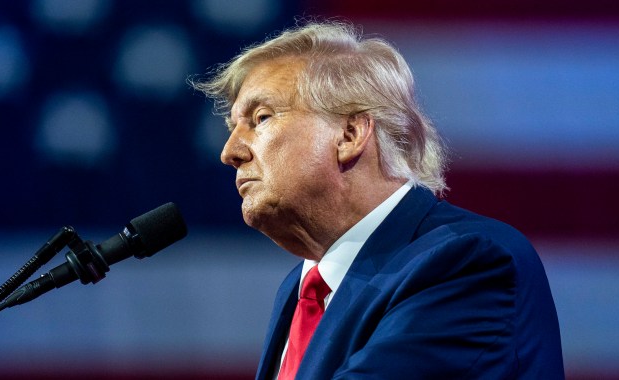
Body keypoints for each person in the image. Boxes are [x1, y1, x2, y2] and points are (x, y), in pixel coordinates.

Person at [193, 21, 564, 379]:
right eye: (232, 128)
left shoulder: (465, 261)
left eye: (261, 118)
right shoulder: (299, 289)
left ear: (350, 134)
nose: (230, 152)